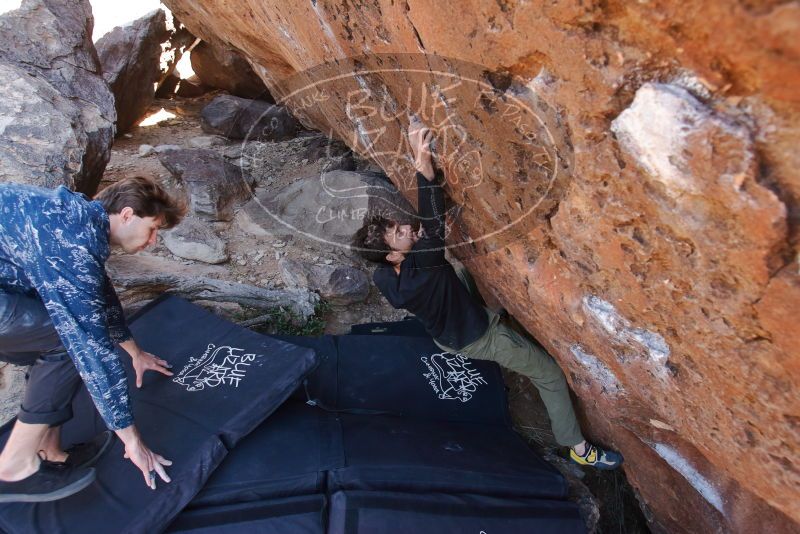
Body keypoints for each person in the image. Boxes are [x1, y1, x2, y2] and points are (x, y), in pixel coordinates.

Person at [353, 118, 623, 470]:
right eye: (398, 233)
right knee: (549, 374)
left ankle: (491, 314)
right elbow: (432, 222)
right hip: (478, 335)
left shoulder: (385, 275)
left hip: (446, 331)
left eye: (398, 225)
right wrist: (422, 164)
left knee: (463, 272)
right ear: (393, 255)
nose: (406, 228)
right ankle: (577, 448)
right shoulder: (425, 264)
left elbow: (425, 243)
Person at [0, 176, 186, 502]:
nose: (154, 240)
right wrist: (131, 438)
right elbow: (90, 344)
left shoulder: (80, 221)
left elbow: (99, 294)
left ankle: (49, 451)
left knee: (58, 338)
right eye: (153, 228)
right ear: (127, 214)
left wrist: (135, 352)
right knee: (69, 342)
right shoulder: (73, 239)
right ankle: (14, 466)